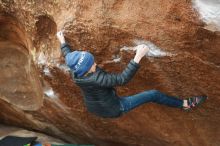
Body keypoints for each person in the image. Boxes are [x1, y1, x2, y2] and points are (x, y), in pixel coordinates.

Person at [56, 30, 207, 118]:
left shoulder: (75, 72)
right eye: (92, 64)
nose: (95, 63)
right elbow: (122, 79)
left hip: (95, 107)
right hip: (114, 108)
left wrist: (62, 41)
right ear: (86, 70)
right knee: (153, 94)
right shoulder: (97, 79)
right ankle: (185, 104)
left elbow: (68, 56)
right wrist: (138, 57)